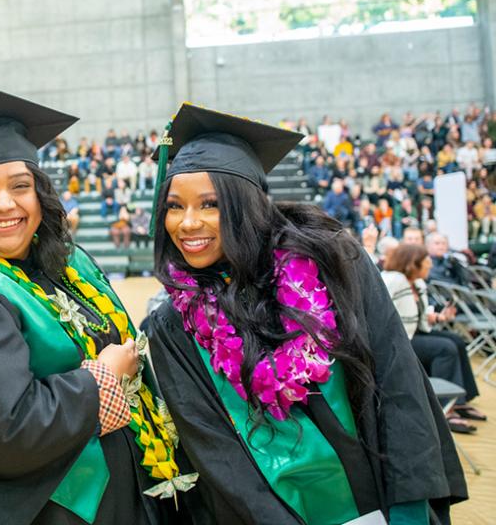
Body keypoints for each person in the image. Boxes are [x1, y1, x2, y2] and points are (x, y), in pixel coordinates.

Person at [144, 103, 465, 524]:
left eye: (210, 204)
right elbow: (215, 452)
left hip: (379, 498)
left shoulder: (334, 263)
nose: (188, 223)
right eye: (173, 206)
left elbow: (397, 381)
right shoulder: (173, 324)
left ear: (247, 203)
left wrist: (408, 511)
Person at [0, 88, 192, 525]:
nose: (5, 204)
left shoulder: (68, 266)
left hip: (132, 492)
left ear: (40, 195)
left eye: (21, 186)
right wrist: (103, 379)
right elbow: (4, 429)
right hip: (63, 511)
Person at [381, 244, 485, 434]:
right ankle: (446, 408)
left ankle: (461, 401)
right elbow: (381, 310)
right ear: (413, 263)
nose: (430, 264)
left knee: (457, 341)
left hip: (414, 331)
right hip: (398, 339)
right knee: (445, 348)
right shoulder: (393, 281)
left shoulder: (418, 283)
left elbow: (415, 315)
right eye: (426, 261)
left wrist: (439, 317)